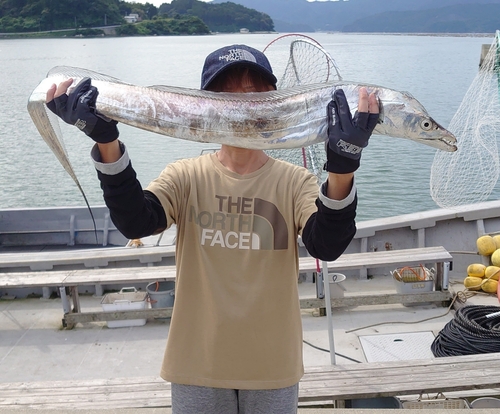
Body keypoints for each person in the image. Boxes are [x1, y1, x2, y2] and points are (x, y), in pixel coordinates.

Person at [46, 44, 379, 414]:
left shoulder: (295, 182)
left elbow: (326, 244)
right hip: (196, 363)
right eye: (225, 95)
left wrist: (343, 168)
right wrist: (107, 143)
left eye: (253, 95)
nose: (240, 106)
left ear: (275, 101)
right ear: (204, 106)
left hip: (273, 365)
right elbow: (137, 221)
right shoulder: (186, 176)